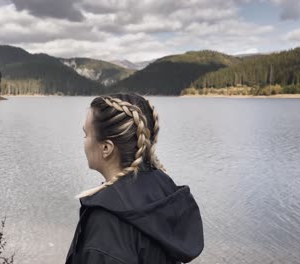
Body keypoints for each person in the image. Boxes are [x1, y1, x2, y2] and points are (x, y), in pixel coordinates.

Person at [65, 92, 204, 264]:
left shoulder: (106, 224)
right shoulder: (162, 187)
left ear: (106, 148)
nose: (84, 141)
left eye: (86, 134)